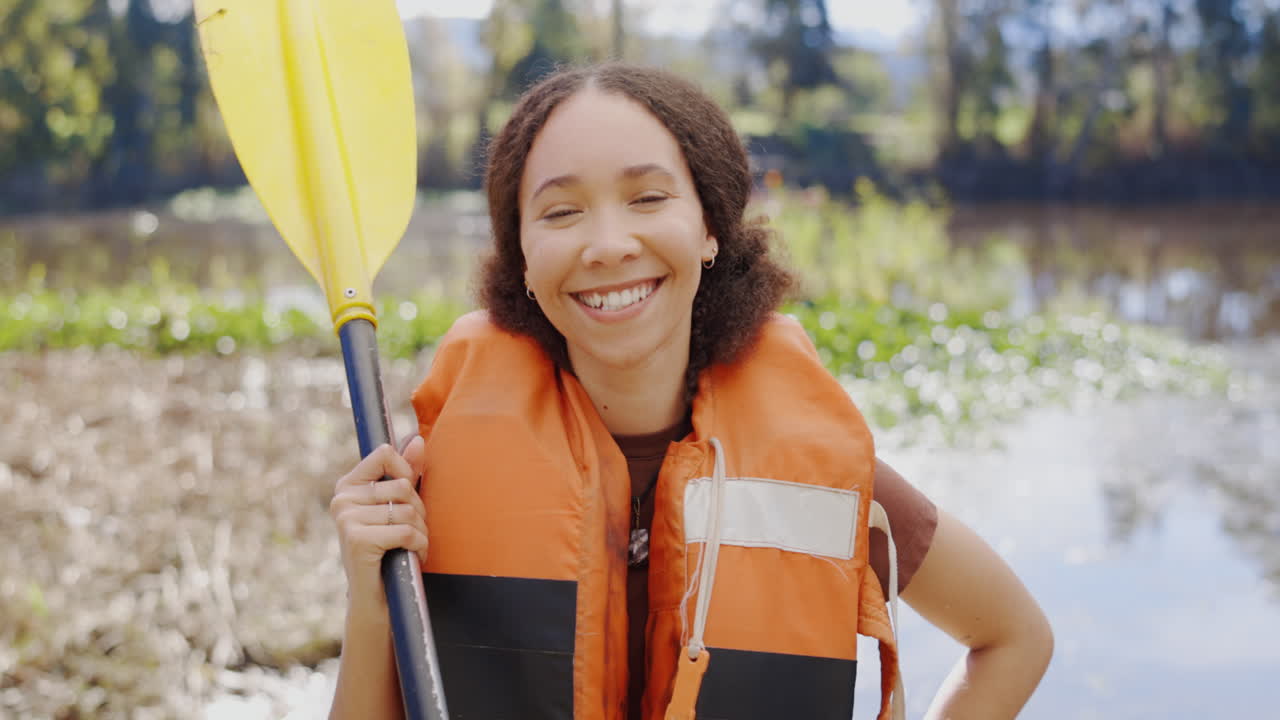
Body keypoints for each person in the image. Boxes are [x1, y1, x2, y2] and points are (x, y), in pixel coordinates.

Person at [327, 63, 1052, 720]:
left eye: (647, 198)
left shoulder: (818, 471)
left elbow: (1013, 638)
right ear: (521, 255)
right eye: (561, 212)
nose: (608, 245)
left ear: (709, 228)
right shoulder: (431, 473)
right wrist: (370, 599)